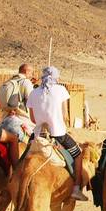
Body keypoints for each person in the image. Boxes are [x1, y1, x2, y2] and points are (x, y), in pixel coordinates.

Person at [27, 66, 86, 200]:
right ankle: (76, 188)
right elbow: (65, 115)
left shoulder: (33, 92)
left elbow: (33, 119)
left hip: (38, 134)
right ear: (56, 77)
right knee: (78, 154)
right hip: (58, 133)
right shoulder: (61, 90)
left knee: (23, 157)